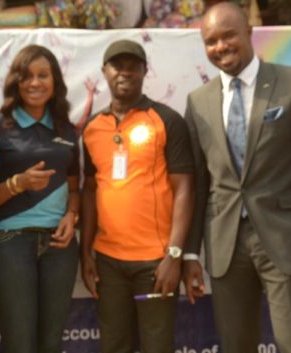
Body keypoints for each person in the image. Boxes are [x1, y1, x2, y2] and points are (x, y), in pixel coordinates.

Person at [183, 3, 291, 353]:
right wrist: (190, 254)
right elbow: (198, 184)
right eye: (211, 41)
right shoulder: (198, 102)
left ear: (250, 32)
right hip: (225, 246)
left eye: (229, 36)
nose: (221, 47)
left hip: (287, 240)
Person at [80, 39, 194, 353]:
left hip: (155, 263)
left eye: (134, 66)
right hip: (108, 262)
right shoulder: (92, 128)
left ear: (145, 71)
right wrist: (85, 253)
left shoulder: (167, 120)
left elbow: (185, 188)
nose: (125, 72)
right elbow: (90, 190)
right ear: (105, 71)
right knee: (115, 346)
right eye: (118, 65)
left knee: (157, 347)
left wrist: (174, 255)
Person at [0, 44, 79, 353]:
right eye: (27, 76)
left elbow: (75, 189)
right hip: (8, 243)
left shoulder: (68, 130)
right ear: (15, 82)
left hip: (59, 247)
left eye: (43, 75)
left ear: (55, 81)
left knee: (51, 344)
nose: (35, 83)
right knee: (20, 345)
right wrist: (17, 183)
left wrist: (71, 216)